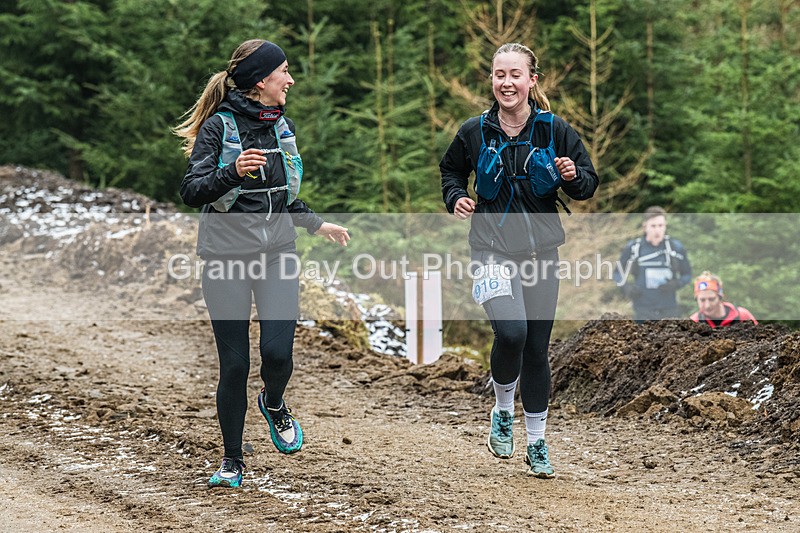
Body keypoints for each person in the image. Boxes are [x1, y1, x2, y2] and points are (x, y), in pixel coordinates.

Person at [174, 39, 349, 488]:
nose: (290, 80)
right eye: (283, 72)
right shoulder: (218, 127)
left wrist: (317, 224)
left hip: (277, 255)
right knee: (234, 366)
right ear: (259, 80)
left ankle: (273, 402)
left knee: (277, 353)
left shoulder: (282, 127)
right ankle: (232, 460)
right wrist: (232, 171)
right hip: (225, 259)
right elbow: (191, 190)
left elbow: (281, 196)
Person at [440, 43, 599, 478]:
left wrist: (572, 176)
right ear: (492, 79)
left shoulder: (554, 130)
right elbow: (451, 170)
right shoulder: (474, 131)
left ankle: (537, 442)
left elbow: (588, 183)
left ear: (532, 80)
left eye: (515, 75)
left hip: (540, 253)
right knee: (511, 332)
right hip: (490, 248)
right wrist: (456, 197)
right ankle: (502, 410)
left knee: (536, 349)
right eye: (499, 75)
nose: (506, 83)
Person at [614, 206, 692, 322]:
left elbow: (687, 274)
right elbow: (617, 273)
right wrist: (626, 287)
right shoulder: (634, 248)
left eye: (661, 226)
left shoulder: (675, 248)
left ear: (665, 226)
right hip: (642, 309)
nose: (657, 230)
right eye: (653, 226)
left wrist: (677, 283)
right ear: (645, 226)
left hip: (669, 308)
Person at [690, 271, 758, 328]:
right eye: (702, 300)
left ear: (720, 297)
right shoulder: (693, 323)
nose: (707, 305)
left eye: (711, 299)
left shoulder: (742, 316)